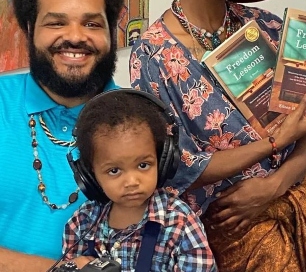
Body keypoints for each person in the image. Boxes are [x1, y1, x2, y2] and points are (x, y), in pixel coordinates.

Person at [130, 0, 306, 271]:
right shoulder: (153, 53)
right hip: (220, 235)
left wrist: (275, 184)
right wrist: (276, 141)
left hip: (289, 210)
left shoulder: (268, 30)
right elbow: (180, 166)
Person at [0, 0, 123, 271]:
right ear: (30, 29)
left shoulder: (140, 120)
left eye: (92, 23)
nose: (75, 36)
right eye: (56, 22)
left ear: (111, 33)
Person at [61, 89, 216, 271]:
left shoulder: (180, 222)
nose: (132, 181)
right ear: (90, 174)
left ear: (162, 161)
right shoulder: (81, 223)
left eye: (143, 165)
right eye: (114, 170)